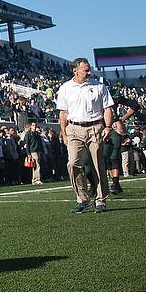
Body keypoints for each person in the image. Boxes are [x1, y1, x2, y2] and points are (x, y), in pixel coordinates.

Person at [56, 58, 114, 213]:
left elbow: (108, 108)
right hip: (74, 128)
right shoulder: (65, 88)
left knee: (97, 164)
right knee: (73, 163)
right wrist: (64, 133)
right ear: (75, 71)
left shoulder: (99, 86)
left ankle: (100, 200)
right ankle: (83, 198)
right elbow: (63, 113)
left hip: (95, 127)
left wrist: (107, 127)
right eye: (86, 70)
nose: (89, 73)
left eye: (89, 70)